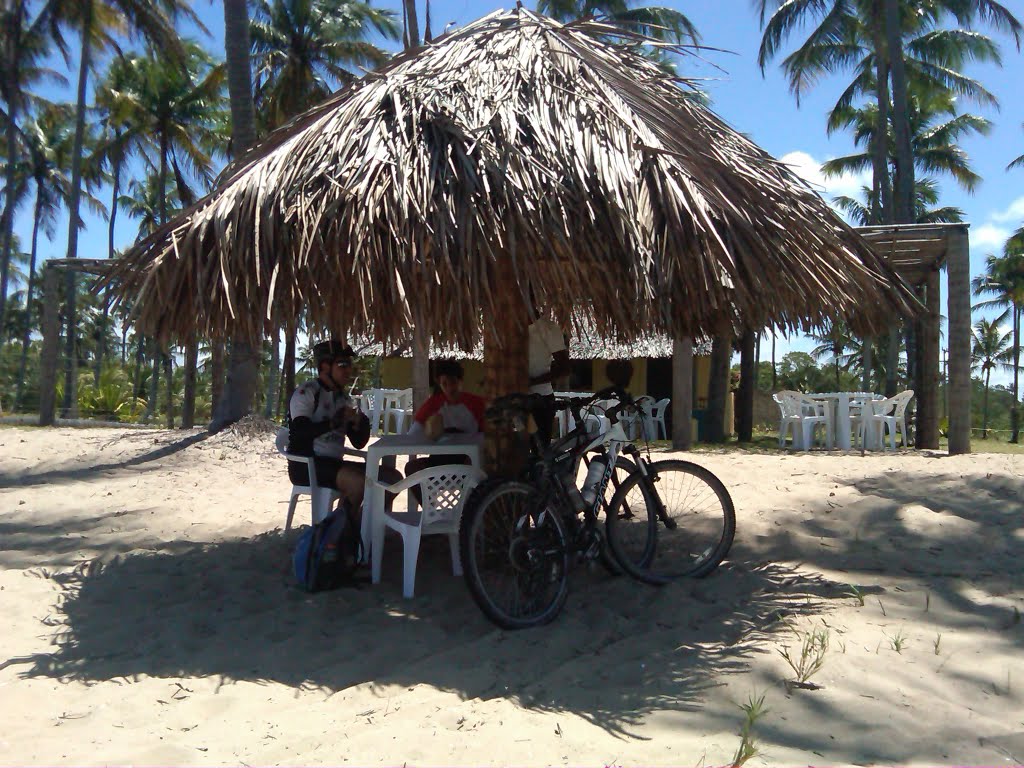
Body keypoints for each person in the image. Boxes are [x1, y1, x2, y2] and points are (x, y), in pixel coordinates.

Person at [287, 340, 391, 516]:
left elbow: (358, 443)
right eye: (342, 364)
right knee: (358, 483)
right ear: (325, 367)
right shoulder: (307, 393)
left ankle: (357, 524)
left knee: (390, 478)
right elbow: (299, 433)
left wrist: (361, 423)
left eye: (349, 364)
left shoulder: (343, 398)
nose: (348, 370)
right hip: (307, 464)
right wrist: (333, 423)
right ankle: (339, 534)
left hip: (333, 463)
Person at [405, 359, 486, 478]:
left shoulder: (476, 404)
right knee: (411, 468)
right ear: (440, 384)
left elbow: (488, 436)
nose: (450, 388)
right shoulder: (433, 405)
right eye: (445, 384)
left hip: (467, 463)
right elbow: (413, 434)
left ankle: (469, 496)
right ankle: (426, 497)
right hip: (439, 462)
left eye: (453, 382)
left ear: (460, 381)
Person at [527, 312, 570, 444]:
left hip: (540, 399)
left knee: (540, 452)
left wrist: (532, 382)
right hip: (514, 399)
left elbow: (564, 368)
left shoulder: (548, 329)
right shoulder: (509, 328)